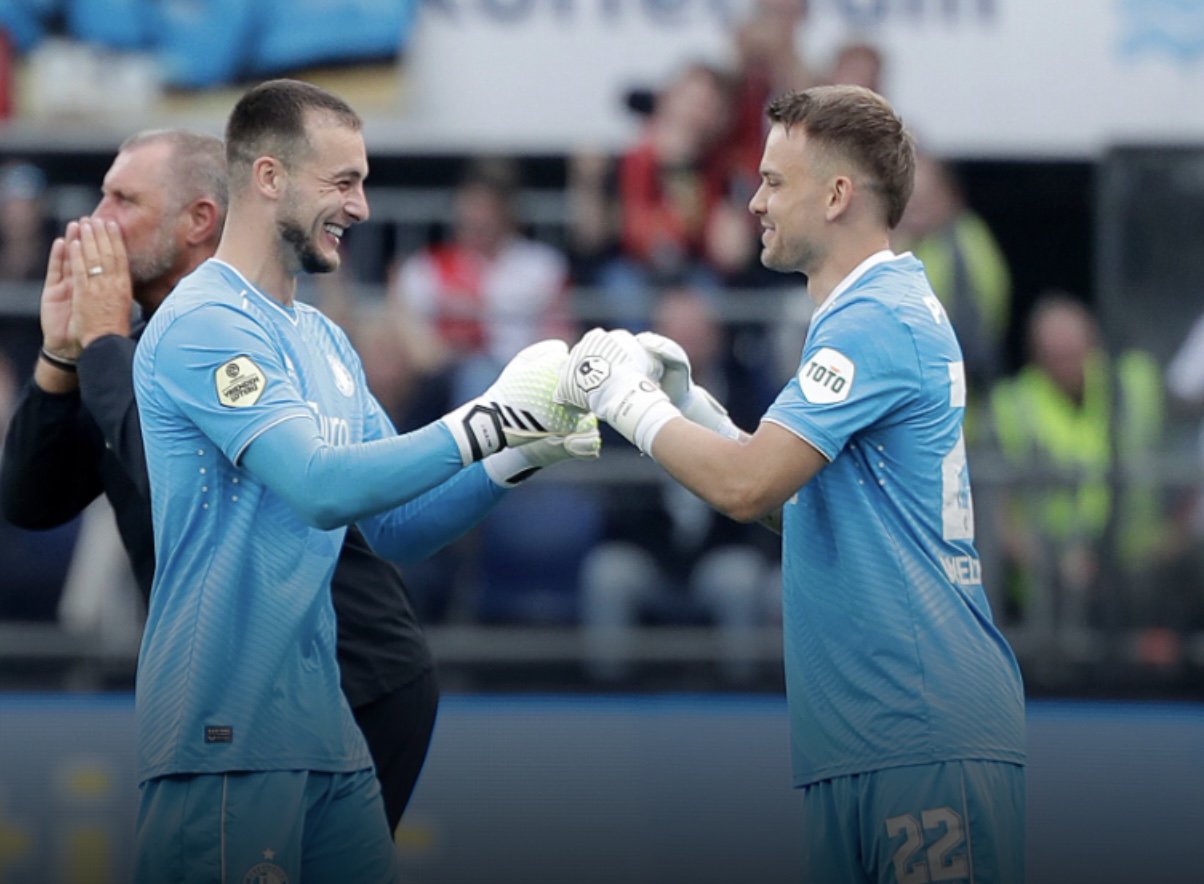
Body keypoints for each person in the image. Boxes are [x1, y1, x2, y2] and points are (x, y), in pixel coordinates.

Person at [121, 82, 598, 882]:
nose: (363, 206)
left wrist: (521, 450)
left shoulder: (324, 341)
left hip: (325, 736)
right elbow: (317, 486)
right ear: (269, 177)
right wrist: (485, 421)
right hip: (225, 737)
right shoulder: (203, 324)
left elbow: (398, 525)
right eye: (343, 182)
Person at [556, 85, 1026, 883]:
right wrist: (692, 408)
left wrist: (624, 403)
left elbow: (746, 490)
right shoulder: (874, 310)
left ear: (838, 195)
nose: (754, 200)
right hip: (871, 739)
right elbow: (793, 502)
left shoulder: (873, 318)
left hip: (916, 733)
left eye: (774, 181)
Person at [0, 129, 443, 832]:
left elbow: (165, 476)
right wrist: (62, 354)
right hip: (253, 687)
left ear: (199, 221)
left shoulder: (230, 334)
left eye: (122, 199)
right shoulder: (136, 347)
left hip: (341, 673)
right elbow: (29, 500)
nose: (94, 221)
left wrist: (105, 342)